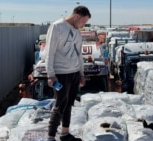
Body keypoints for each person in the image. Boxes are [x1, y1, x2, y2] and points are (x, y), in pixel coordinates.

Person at [45, 6, 91, 141]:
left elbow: (79, 54)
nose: (84, 25)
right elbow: (50, 52)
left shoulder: (77, 32)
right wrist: (50, 75)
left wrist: (81, 74)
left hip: (74, 74)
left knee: (69, 104)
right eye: (83, 21)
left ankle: (65, 133)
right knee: (60, 105)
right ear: (76, 16)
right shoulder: (57, 27)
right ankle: (50, 137)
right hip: (61, 75)